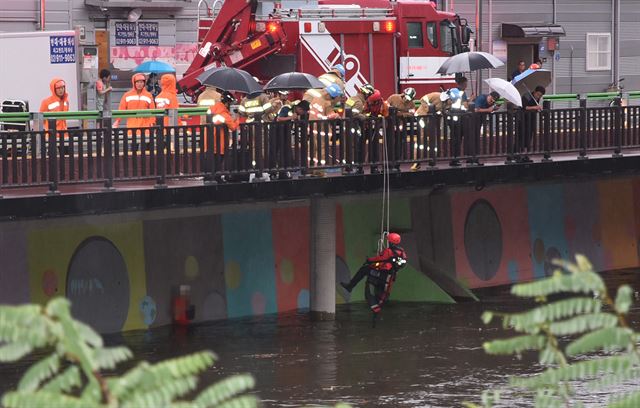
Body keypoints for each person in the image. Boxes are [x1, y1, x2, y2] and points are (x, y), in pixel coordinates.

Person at [340, 233, 408, 325]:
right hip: (390, 276)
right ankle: (375, 316)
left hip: (381, 274)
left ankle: (350, 286)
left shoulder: (388, 251)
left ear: (390, 242)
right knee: (381, 295)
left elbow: (379, 259)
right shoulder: (402, 252)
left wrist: (369, 260)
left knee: (364, 270)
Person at [206, 91, 240, 180]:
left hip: (208, 140)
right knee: (218, 162)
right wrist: (237, 120)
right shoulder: (224, 114)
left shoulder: (211, 109)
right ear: (227, 103)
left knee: (210, 162)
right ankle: (217, 178)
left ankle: (208, 177)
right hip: (219, 142)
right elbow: (233, 127)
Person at [517, 86, 546, 163]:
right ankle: (518, 155)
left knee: (529, 137)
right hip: (522, 119)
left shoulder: (537, 98)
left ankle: (526, 155)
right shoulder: (527, 96)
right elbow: (524, 107)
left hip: (531, 120)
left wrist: (537, 108)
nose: (538, 96)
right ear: (535, 91)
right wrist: (535, 107)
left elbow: (535, 108)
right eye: (538, 94)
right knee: (521, 137)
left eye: (540, 95)